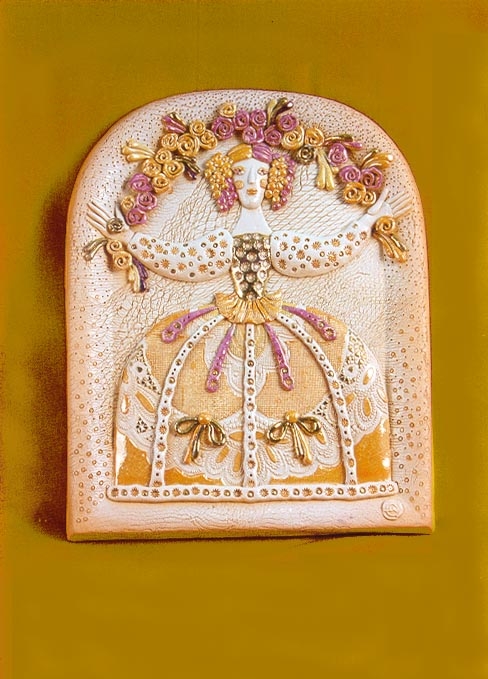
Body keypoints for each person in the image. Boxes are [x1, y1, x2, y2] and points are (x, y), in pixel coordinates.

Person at [88, 141, 408, 499]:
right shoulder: (223, 243)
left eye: (261, 174)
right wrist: (129, 239)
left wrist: (366, 221)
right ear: (228, 180)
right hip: (224, 317)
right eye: (241, 173)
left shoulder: (279, 243)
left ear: (273, 180)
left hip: (275, 318)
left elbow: (327, 252)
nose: (252, 183)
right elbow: (181, 259)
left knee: (337, 360)